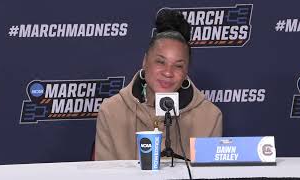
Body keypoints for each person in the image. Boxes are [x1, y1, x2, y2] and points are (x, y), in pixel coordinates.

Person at [94, 9, 222, 160]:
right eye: (161, 62)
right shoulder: (111, 111)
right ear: (145, 61)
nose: (168, 72)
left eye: (178, 65)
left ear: (186, 70)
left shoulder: (210, 117)